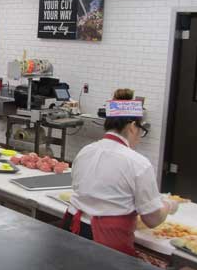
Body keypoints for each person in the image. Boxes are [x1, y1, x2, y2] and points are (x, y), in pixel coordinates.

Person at [63, 93, 178, 257]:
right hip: (107, 240)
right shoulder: (138, 163)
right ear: (132, 126)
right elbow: (152, 220)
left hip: (72, 227)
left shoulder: (85, 151)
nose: (139, 136)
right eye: (141, 129)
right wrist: (168, 205)